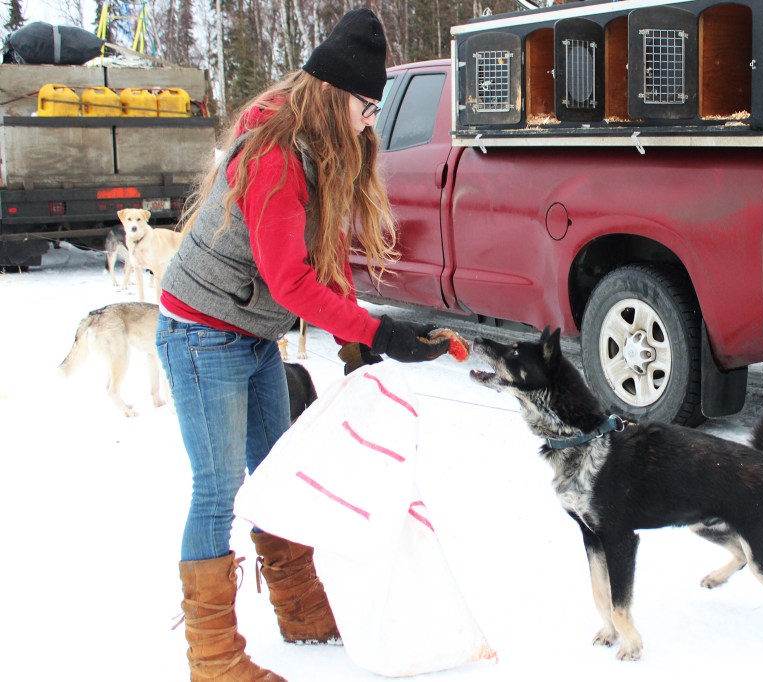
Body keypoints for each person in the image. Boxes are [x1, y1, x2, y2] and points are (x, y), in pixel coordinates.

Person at [156, 9, 450, 680]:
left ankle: (297, 606)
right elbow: (289, 280)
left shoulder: (319, 152)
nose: (371, 120)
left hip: (250, 337)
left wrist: (358, 340)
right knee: (216, 489)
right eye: (367, 105)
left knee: (276, 474)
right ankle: (213, 656)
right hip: (201, 335)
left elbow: (319, 265)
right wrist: (376, 330)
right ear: (333, 94)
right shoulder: (276, 159)